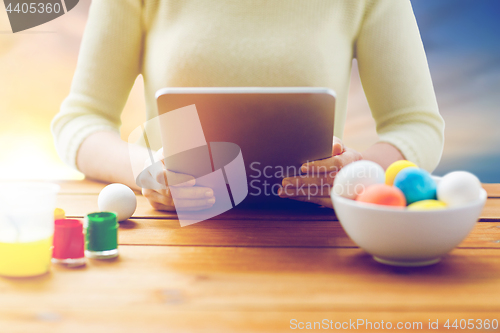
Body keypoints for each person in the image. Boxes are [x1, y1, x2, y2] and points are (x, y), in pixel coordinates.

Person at [51, 0, 444, 210]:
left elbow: (417, 125)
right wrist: (147, 170)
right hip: (178, 243)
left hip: (316, 243)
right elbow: (81, 120)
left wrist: (357, 172)